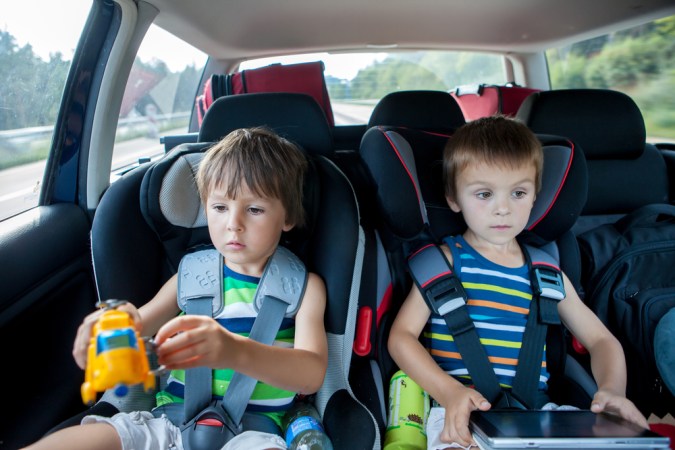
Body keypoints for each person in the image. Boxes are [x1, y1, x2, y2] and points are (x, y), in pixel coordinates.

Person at [25, 127, 328, 450]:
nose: (233, 224)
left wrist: (234, 351)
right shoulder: (191, 276)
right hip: (168, 423)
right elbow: (138, 325)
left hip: (255, 434)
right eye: (220, 207)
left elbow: (310, 375)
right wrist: (107, 330)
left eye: (254, 210)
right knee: (86, 439)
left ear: (288, 217)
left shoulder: (304, 287)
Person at [387, 115, 648, 449]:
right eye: (484, 194)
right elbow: (401, 337)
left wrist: (612, 391)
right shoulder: (443, 263)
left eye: (518, 193)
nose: (503, 209)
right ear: (453, 198)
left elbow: (601, 341)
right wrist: (448, 391)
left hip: (538, 416)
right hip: (458, 413)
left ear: (536, 195)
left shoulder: (547, 272)